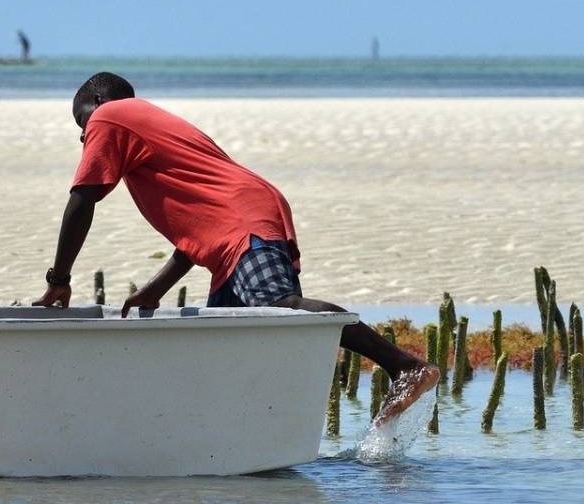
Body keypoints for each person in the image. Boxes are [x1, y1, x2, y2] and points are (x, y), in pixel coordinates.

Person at [33, 72, 438, 425]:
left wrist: (59, 280)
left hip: (242, 223)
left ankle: (404, 367)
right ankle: (246, 441)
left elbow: (83, 199)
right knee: (226, 350)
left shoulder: (110, 116)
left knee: (280, 305)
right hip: (231, 232)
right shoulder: (155, 128)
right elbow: (197, 233)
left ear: (99, 102)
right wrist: (156, 289)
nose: (83, 134)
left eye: (80, 120)